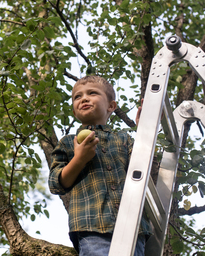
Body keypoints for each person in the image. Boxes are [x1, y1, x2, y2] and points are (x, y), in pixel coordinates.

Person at [48, 75, 151, 256]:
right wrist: (79, 159)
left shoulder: (124, 139)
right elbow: (56, 184)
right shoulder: (68, 143)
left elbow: (144, 164)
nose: (84, 98)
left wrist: (145, 131)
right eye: (77, 97)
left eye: (92, 93)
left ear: (111, 106)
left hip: (133, 227)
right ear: (74, 111)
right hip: (93, 227)